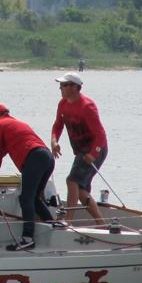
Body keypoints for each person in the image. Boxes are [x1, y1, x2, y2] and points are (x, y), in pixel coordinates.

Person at [0, 103, 56, 251]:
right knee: (34, 198)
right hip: (46, 157)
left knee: (25, 198)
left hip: (34, 158)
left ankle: (27, 238)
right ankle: (54, 225)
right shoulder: (15, 123)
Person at [50, 72, 107, 225]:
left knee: (71, 181)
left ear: (75, 87)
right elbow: (57, 125)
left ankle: (68, 221)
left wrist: (93, 154)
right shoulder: (62, 104)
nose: (60, 88)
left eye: (63, 85)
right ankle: (101, 223)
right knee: (82, 192)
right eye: (60, 85)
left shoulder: (87, 106)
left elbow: (100, 135)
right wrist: (54, 142)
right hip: (81, 152)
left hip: (95, 149)